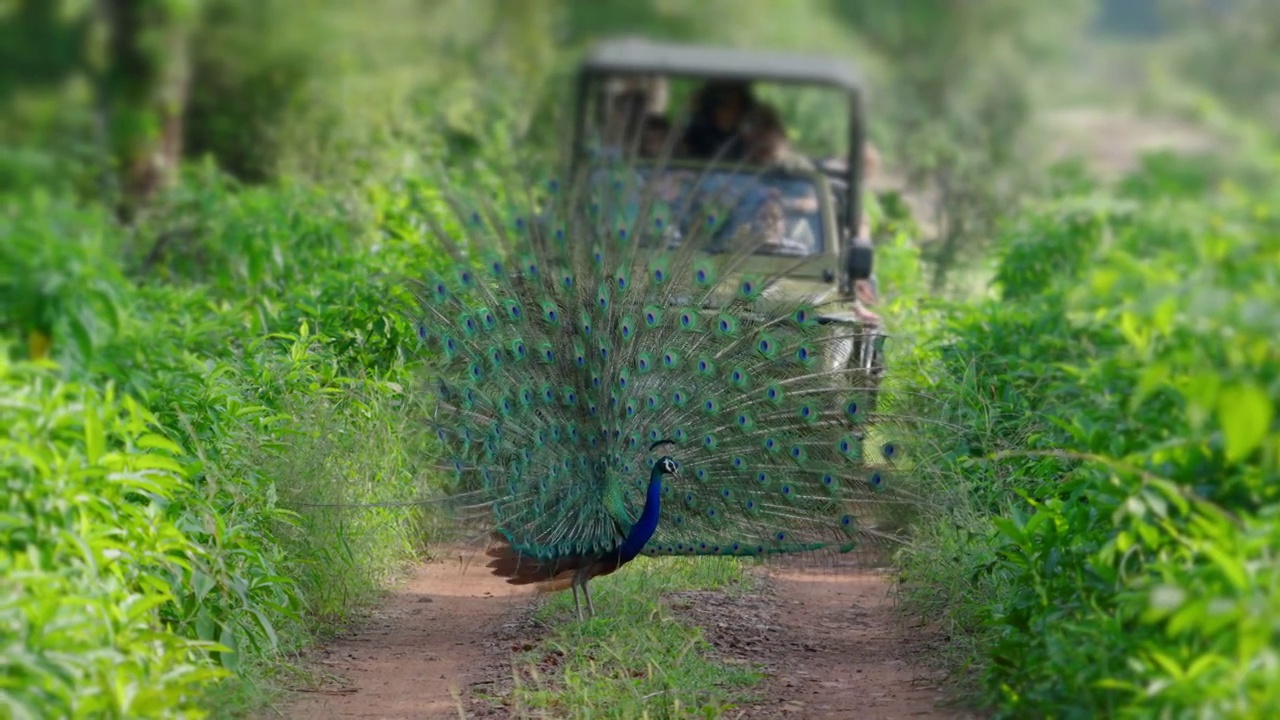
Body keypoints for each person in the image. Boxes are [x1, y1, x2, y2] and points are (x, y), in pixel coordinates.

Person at [682, 80, 757, 161]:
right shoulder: (695, 135)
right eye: (723, 104)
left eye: (737, 106)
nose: (731, 112)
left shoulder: (750, 140)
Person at [739, 103, 814, 173]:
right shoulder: (742, 163)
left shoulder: (797, 165)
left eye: (767, 125)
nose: (760, 135)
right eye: (752, 126)